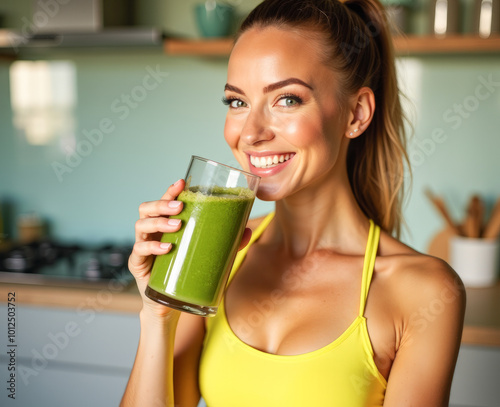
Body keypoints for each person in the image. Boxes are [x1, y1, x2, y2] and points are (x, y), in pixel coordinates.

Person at [121, 0, 466, 405]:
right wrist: (157, 312)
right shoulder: (221, 258)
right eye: (237, 102)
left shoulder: (422, 292)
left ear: (356, 113)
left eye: (287, 99)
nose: (250, 134)